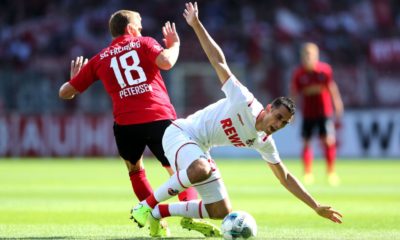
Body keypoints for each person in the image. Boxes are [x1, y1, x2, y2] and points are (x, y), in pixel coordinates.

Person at [130, 2, 343, 237]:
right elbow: (218, 61)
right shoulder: (244, 100)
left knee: (221, 209)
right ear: (270, 108)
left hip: (199, 147)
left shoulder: (263, 140)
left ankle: (158, 212)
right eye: (279, 117)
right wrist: (196, 25)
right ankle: (145, 205)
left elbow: (285, 177)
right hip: (180, 134)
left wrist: (315, 206)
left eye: (284, 123)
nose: (278, 124)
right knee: (202, 167)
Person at [58, 9, 214, 237]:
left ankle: (155, 220)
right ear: (130, 29)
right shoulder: (144, 43)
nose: (141, 29)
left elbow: (65, 93)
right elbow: (167, 62)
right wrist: (175, 44)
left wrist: (73, 80)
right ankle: (189, 216)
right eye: (139, 25)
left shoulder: (99, 58)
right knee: (179, 170)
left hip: (126, 125)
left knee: (135, 171)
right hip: (159, 118)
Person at [290, 42, 344, 186]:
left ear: (316, 56)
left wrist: (338, 104)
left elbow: (332, 88)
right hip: (308, 113)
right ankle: (308, 173)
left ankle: (331, 172)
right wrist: (291, 112)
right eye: (305, 55)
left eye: (310, 55)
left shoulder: (324, 71)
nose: (308, 58)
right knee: (306, 142)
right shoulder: (299, 74)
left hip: (324, 112)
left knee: (328, 140)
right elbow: (294, 94)